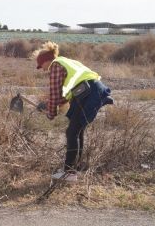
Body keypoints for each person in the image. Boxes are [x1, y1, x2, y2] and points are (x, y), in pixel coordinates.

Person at [33, 41, 113, 182]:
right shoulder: (65, 61)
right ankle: (74, 169)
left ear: (46, 61)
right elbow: (64, 96)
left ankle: (69, 173)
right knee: (77, 130)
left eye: (41, 66)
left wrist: (51, 113)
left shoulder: (55, 66)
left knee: (72, 132)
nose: (43, 69)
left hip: (88, 93)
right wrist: (48, 105)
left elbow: (55, 94)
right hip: (89, 91)